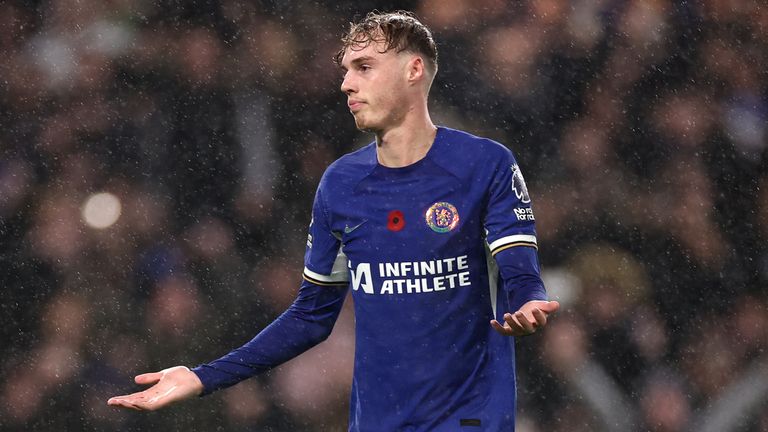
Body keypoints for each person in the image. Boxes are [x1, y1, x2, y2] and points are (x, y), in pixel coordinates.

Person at [107, 11, 560, 431]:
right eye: (345, 70)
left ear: (413, 70)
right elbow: (311, 316)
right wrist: (204, 377)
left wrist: (528, 303)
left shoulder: (484, 164)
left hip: (468, 420)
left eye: (363, 67)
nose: (346, 83)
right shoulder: (341, 184)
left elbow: (520, 269)